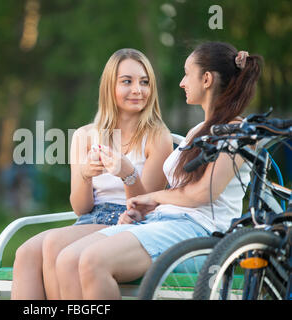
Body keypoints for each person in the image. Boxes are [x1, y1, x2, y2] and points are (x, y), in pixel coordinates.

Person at [50, 41, 263, 299]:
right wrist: (143, 210)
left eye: (187, 74)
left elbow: (200, 194)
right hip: (162, 223)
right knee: (67, 259)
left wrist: (151, 197)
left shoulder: (238, 132)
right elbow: (180, 191)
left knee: (92, 261)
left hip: (199, 232)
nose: (182, 82)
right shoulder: (197, 131)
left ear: (206, 79)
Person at [11, 48, 173, 299]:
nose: (137, 90)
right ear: (110, 86)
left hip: (130, 222)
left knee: (54, 244)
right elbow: (80, 208)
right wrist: (85, 176)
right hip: (92, 219)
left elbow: (145, 206)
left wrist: (127, 173)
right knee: (25, 253)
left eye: (144, 82)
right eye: (127, 82)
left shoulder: (157, 136)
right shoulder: (85, 136)